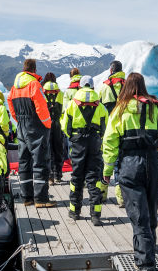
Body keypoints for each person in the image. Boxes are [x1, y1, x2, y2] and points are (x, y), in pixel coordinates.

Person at [102, 73, 158, 271]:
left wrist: (107, 170)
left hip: (130, 162)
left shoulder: (120, 110)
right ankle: (150, 248)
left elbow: (110, 142)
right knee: (151, 208)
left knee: (137, 212)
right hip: (153, 162)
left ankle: (145, 261)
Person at [8, 59, 54, 207]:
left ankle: (27, 197)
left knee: (24, 161)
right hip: (36, 127)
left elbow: (10, 105)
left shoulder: (14, 87)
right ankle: (41, 199)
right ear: (34, 69)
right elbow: (41, 107)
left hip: (21, 126)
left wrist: (18, 121)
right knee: (40, 161)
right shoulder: (34, 84)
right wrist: (47, 124)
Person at [62, 75, 107, 224]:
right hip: (94, 144)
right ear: (93, 87)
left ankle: (75, 212)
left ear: (80, 87)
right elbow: (105, 128)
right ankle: (96, 215)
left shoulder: (72, 105)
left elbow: (65, 127)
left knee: (76, 178)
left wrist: (74, 138)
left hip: (78, 144)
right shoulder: (100, 106)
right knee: (94, 179)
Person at [42, 73, 66, 184]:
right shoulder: (60, 92)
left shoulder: (42, 92)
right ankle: (58, 175)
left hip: (46, 124)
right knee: (58, 150)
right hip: (57, 124)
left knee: (48, 151)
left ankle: (50, 176)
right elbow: (62, 110)